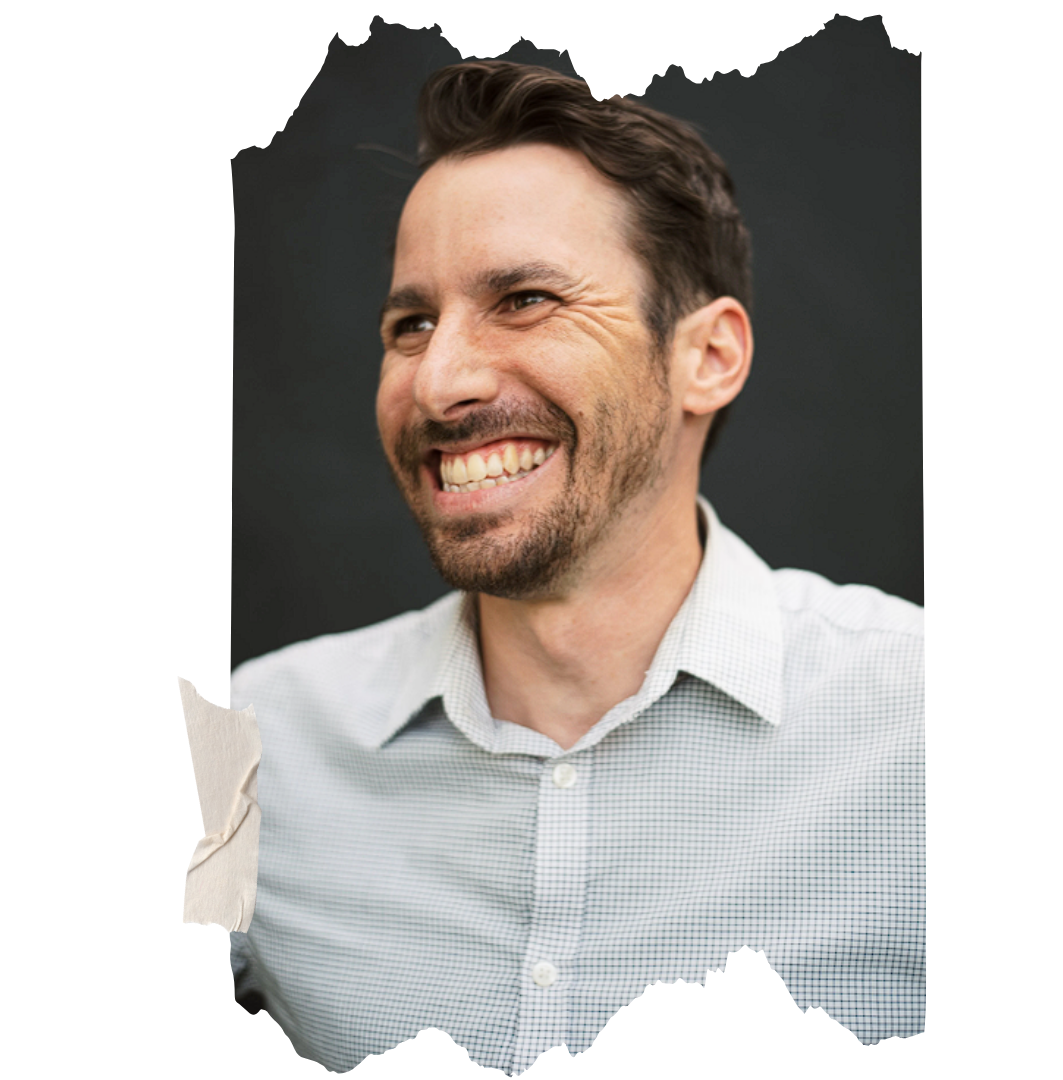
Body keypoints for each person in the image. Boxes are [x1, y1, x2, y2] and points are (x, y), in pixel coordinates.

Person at [230, 61, 926, 1075]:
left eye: (523, 298)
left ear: (709, 358)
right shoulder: (240, 751)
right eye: (409, 324)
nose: (440, 379)